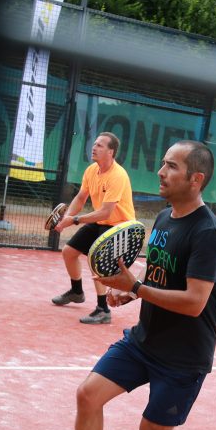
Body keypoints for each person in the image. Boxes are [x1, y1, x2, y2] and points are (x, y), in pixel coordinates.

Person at [27, 140, 216, 430]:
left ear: (195, 179)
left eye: (171, 166)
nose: (160, 172)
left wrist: (135, 287)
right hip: (145, 340)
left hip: (183, 356)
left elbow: (195, 301)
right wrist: (127, 296)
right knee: (88, 395)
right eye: (163, 163)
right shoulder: (166, 218)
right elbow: (158, 275)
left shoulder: (208, 233)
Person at [51, 131, 136, 325]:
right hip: (101, 222)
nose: (94, 147)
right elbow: (81, 198)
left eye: (100, 145)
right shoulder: (91, 170)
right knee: (69, 252)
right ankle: (76, 291)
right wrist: (68, 216)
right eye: (94, 144)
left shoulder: (118, 175)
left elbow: (106, 212)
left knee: (95, 260)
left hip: (120, 226)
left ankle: (103, 310)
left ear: (111, 152)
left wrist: (74, 221)